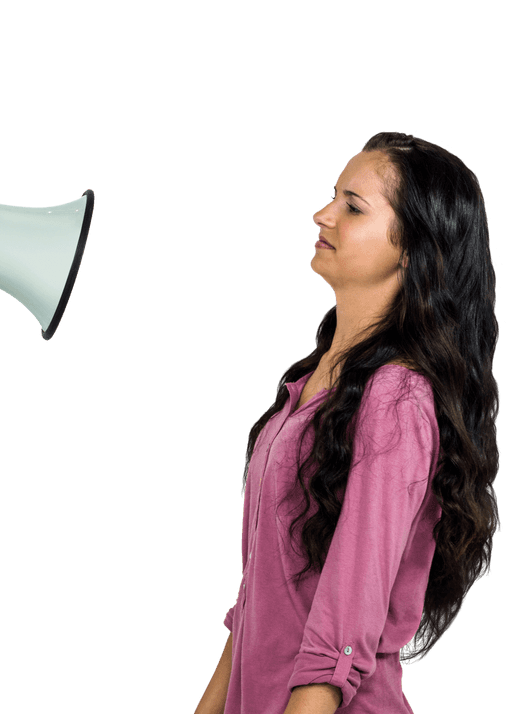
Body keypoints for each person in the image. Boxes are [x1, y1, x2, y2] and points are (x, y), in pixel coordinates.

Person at [193, 132, 500, 714]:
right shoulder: (307, 387)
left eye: (353, 206)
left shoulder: (397, 399)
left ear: (411, 249)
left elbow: (340, 638)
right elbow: (257, 609)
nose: (323, 214)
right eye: (333, 196)